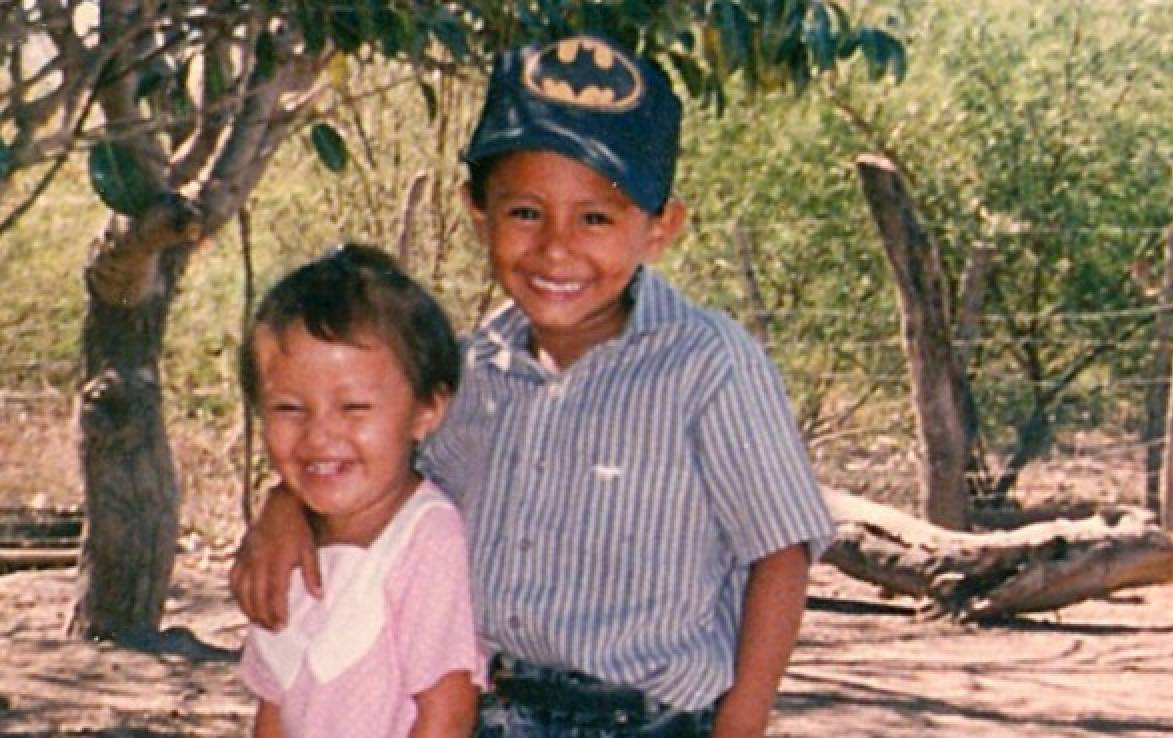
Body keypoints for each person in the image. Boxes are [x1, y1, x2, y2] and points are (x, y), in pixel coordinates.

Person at [232, 35, 836, 738]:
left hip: (649, 718)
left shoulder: (707, 364)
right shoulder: (467, 371)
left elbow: (780, 553)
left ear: (660, 228)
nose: (556, 248)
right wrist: (284, 507)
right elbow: (373, 470)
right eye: (525, 213)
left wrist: (742, 722)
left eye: (596, 218)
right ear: (478, 211)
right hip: (489, 711)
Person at [237, 243, 485, 738]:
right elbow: (274, 708)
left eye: (353, 408)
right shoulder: (286, 543)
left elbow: (447, 714)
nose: (319, 436)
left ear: (426, 411)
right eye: (289, 408)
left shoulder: (425, 537)